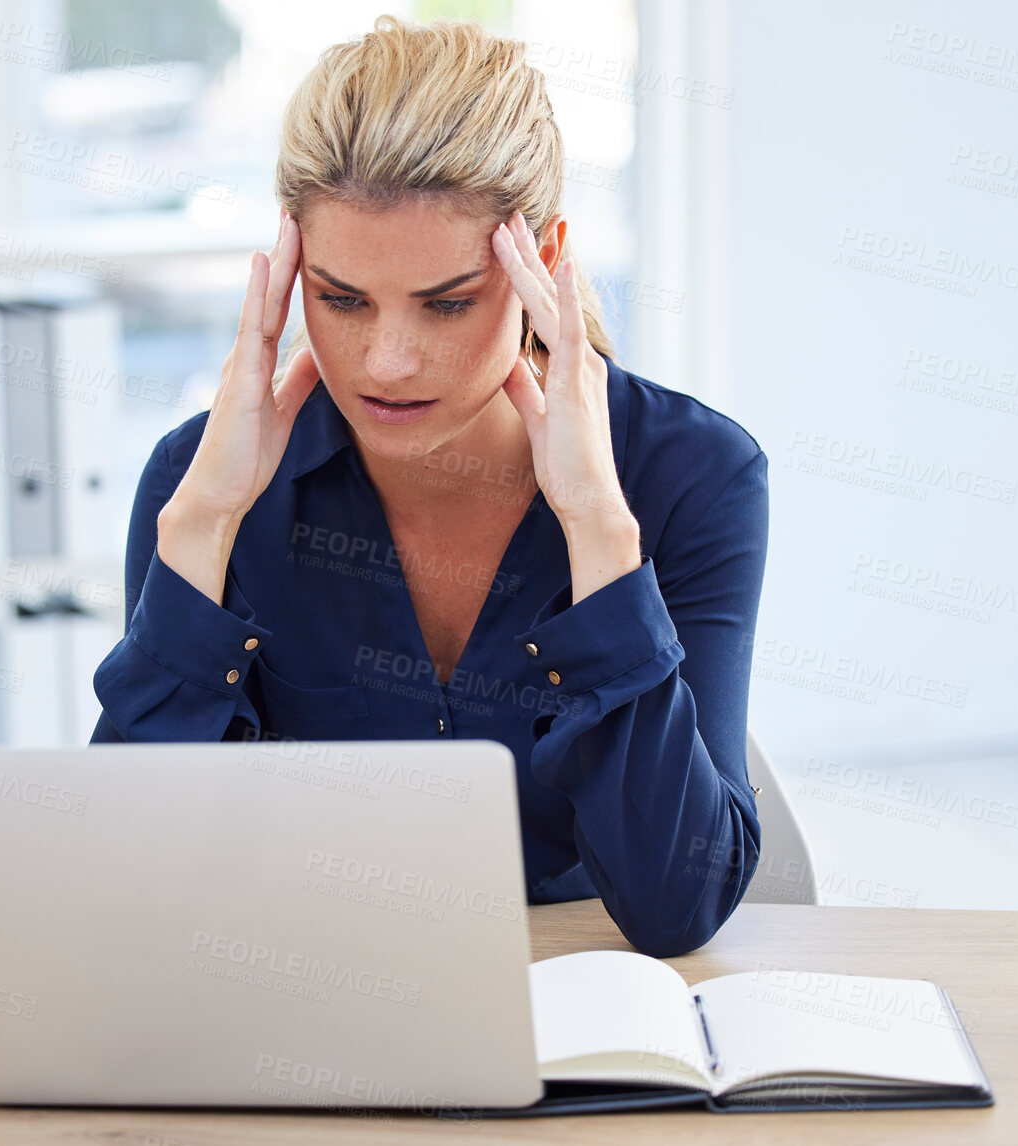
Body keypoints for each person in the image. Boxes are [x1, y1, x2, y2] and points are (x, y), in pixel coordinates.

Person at [91, 15, 768, 958]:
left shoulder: (689, 476)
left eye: (447, 303)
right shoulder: (204, 485)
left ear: (545, 260)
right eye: (340, 299)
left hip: (584, 1021)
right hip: (304, 1016)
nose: (389, 362)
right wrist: (202, 527)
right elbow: (129, 884)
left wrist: (597, 536)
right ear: (288, 271)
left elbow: (676, 908)